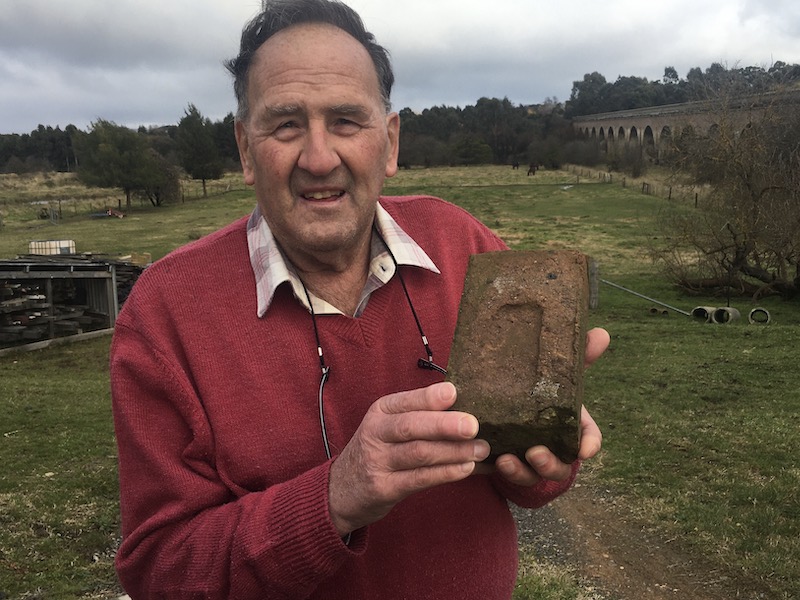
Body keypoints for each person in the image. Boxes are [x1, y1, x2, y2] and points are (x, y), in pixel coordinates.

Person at [109, 1, 610, 598]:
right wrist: (334, 498)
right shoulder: (166, 311)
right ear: (245, 149)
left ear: (390, 143)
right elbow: (159, 570)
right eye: (286, 124)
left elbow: (528, 480)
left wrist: (545, 463)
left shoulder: (462, 244)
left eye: (347, 120)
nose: (320, 159)